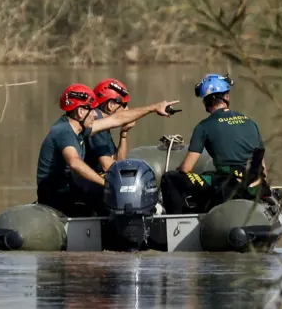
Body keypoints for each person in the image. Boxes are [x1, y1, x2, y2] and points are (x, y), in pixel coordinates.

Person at [36, 84, 179, 217]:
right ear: (80, 112)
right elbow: (74, 162)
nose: (94, 114)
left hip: (70, 189)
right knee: (111, 195)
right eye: (91, 110)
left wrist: (154, 108)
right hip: (56, 195)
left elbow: (117, 119)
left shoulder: (80, 129)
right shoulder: (63, 132)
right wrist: (106, 183)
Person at [160, 74, 270, 214]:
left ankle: (178, 225)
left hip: (229, 188)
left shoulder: (204, 126)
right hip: (257, 188)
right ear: (227, 97)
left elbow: (186, 168)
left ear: (205, 102)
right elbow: (263, 169)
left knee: (170, 178)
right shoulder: (250, 122)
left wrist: (179, 171)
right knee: (209, 174)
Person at [84, 78, 135, 174]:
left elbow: (119, 161)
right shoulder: (96, 122)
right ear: (111, 105)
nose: (127, 109)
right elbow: (107, 166)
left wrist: (124, 133)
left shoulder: (104, 126)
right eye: (124, 105)